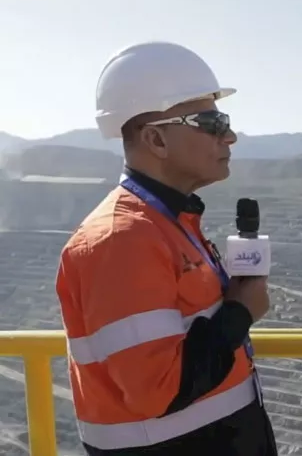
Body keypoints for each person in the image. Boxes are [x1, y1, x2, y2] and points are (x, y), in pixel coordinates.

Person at [54, 41, 277, 455]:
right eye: (212, 122)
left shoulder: (165, 224)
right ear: (156, 139)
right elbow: (158, 389)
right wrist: (241, 311)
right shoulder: (122, 239)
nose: (229, 136)